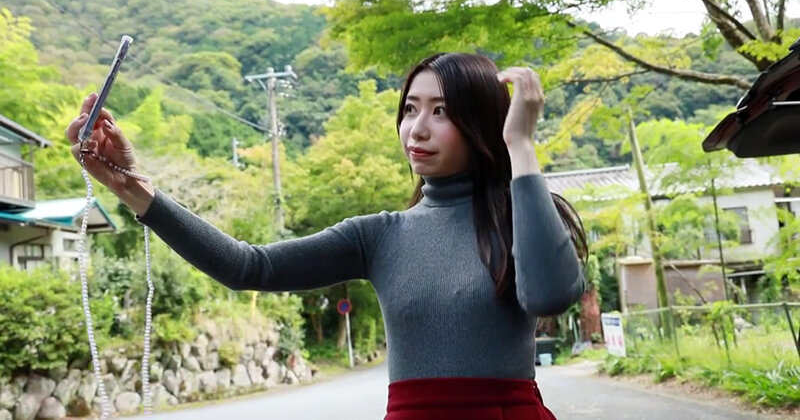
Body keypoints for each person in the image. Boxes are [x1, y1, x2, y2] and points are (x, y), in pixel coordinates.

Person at [66, 52, 587, 420]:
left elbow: (549, 296)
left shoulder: (524, 214)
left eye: (441, 111)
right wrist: (131, 188)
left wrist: (520, 144)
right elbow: (248, 266)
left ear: (482, 122)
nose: (417, 128)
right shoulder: (378, 236)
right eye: (410, 108)